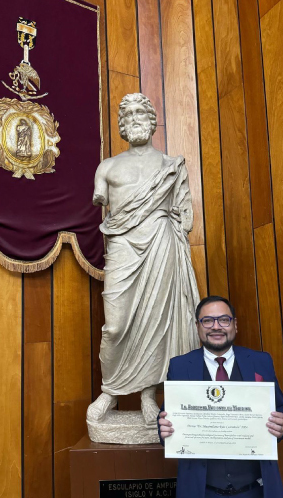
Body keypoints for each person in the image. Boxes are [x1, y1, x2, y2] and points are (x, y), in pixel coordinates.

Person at [87, 93, 200, 426]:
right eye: (129, 114)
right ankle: (109, 391)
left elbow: (185, 216)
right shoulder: (106, 168)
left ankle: (148, 395)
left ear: (152, 121)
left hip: (160, 245)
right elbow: (102, 204)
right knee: (116, 325)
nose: (135, 118)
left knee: (155, 321)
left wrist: (174, 234)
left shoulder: (171, 166)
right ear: (122, 124)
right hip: (123, 247)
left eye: (141, 112)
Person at [158, 295, 283, 498]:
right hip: (202, 490)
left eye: (224, 320)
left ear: (234, 325)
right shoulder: (180, 366)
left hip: (256, 489)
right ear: (198, 326)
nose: (216, 326)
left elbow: (281, 409)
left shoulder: (260, 362)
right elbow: (167, 418)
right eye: (208, 320)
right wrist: (164, 429)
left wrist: (281, 423)